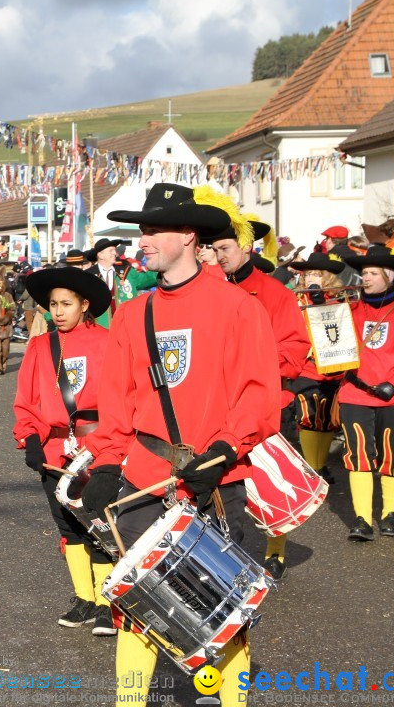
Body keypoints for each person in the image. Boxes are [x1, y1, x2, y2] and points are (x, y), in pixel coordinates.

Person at [79, 183, 281, 706]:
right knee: (137, 605)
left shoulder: (239, 307)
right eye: (140, 231)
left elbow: (259, 394)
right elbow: (116, 402)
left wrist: (225, 449)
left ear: (188, 236)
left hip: (217, 479)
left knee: (223, 606)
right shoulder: (131, 313)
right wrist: (105, 466)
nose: (141, 241)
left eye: (153, 231)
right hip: (146, 475)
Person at [13, 266, 115, 636]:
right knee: (67, 526)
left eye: (66, 304)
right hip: (54, 450)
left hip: (98, 446)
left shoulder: (108, 342)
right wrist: (32, 441)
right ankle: (84, 598)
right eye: (53, 304)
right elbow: (26, 401)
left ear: (85, 305)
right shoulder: (40, 346)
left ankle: (108, 603)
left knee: (100, 524)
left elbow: (121, 400)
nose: (58, 311)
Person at [212, 216, 311, 580]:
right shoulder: (211, 289)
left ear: (247, 248)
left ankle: (275, 550)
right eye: (214, 249)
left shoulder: (275, 293)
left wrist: (253, 366)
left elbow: (296, 351)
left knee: (272, 486)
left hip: (269, 406)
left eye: (225, 249)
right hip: (221, 410)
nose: (218, 256)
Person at [339, 246, 394, 540]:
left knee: (392, 455)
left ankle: (390, 512)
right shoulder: (349, 310)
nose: (366, 278)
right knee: (358, 456)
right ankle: (362, 519)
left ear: (389, 277)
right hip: (355, 395)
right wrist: (322, 315)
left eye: (373, 273)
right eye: (364, 273)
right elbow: (334, 349)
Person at [286, 252, 349, 487]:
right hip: (307, 368)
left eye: (317, 274)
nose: (312, 277)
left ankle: (321, 465)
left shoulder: (340, 300)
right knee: (308, 417)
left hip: (334, 368)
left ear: (328, 277)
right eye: (309, 273)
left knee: (326, 420)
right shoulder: (297, 301)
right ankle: (312, 469)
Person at [84, 238, 158, 328]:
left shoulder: (126, 271)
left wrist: (164, 268)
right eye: (111, 251)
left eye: (114, 250)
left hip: (126, 326)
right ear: (100, 255)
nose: (114, 253)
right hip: (99, 328)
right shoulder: (88, 276)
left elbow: (147, 279)